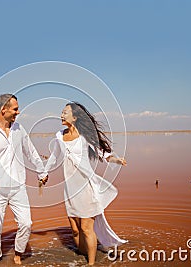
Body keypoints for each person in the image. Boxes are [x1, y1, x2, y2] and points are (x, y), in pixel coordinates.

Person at [45, 102, 127, 265]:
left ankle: (90, 263)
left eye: (65, 112)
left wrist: (117, 160)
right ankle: (89, 251)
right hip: (70, 189)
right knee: (75, 230)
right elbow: (54, 157)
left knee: (86, 228)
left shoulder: (85, 137)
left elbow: (103, 154)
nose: (61, 115)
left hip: (86, 187)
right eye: (62, 112)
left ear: (75, 118)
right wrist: (44, 172)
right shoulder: (59, 136)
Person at [0, 94, 48, 264]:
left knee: (26, 223)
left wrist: (41, 172)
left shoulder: (19, 129)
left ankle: (18, 254)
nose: (18, 112)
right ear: (3, 110)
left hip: (18, 187)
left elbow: (31, 152)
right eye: (15, 109)